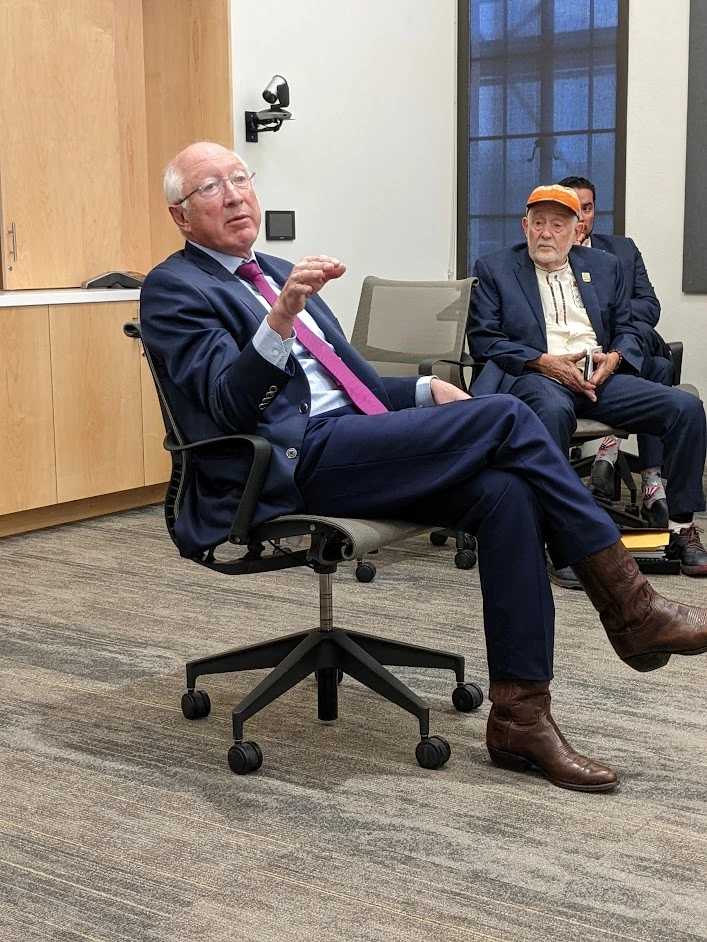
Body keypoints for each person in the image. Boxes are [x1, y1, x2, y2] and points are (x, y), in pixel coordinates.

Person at [140, 143, 707, 795]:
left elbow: (346, 378)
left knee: (505, 493)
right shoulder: (175, 289)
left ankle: (520, 716)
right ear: (180, 216)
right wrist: (279, 321)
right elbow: (230, 404)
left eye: (240, 178)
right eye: (211, 187)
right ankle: (632, 607)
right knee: (506, 415)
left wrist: (418, 390)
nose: (235, 194)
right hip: (286, 461)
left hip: (351, 438)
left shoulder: (272, 269)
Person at [467, 184, 707, 584]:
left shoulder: (603, 265)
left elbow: (628, 327)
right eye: (539, 223)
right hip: (537, 375)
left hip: (598, 376)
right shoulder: (495, 267)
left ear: (576, 229)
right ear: (525, 226)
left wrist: (614, 359)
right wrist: (544, 361)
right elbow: (484, 338)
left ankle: (681, 530)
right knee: (554, 410)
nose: (547, 233)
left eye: (558, 224)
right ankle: (562, 539)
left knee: (685, 408)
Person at [558, 175, 673, 528]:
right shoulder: (546, 253)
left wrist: (613, 312)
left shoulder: (622, 250)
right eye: (573, 210)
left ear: (595, 211)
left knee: (657, 364)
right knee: (659, 365)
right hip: (575, 359)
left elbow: (650, 308)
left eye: (587, 209)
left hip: (621, 347)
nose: (581, 218)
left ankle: (645, 476)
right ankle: (613, 459)